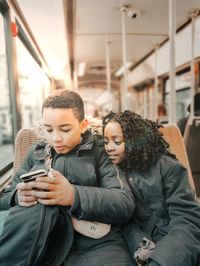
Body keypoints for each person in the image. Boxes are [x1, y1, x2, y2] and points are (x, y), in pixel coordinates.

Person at [0, 90, 135, 265]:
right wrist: (17, 197)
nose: (55, 138)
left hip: (98, 244)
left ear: (83, 125)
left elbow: (124, 203)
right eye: (48, 129)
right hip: (44, 242)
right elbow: (4, 197)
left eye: (65, 129)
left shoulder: (102, 152)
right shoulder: (37, 153)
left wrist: (73, 195)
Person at [102, 110, 200, 266]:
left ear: (134, 140)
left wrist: (161, 258)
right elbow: (127, 224)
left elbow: (187, 220)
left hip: (178, 245)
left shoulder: (167, 167)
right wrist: (142, 248)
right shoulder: (115, 175)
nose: (109, 148)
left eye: (117, 141)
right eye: (105, 141)